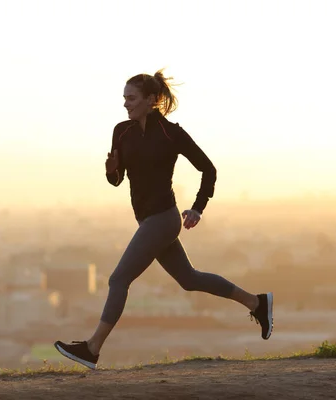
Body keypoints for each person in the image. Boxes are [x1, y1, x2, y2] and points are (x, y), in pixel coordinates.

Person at [53, 69, 273, 370]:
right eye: (124, 99)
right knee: (190, 279)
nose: (126, 104)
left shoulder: (172, 134)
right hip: (147, 221)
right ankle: (257, 303)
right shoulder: (122, 131)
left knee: (118, 279)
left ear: (151, 100)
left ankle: (92, 348)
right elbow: (117, 180)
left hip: (164, 219)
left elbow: (208, 170)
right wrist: (111, 170)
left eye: (131, 98)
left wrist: (197, 208)